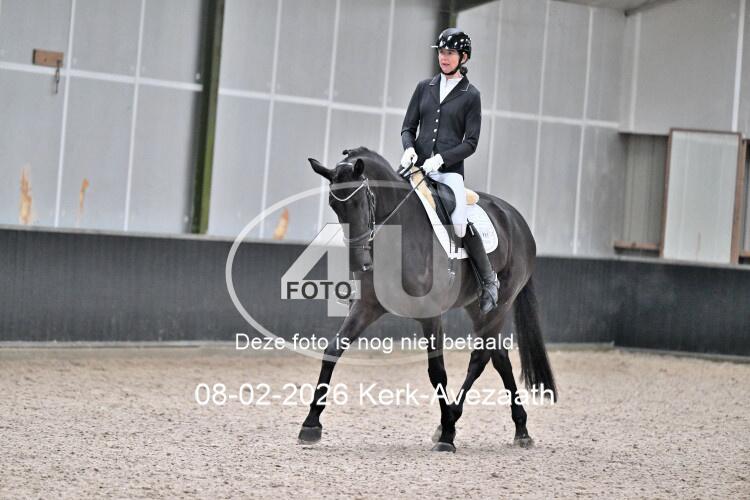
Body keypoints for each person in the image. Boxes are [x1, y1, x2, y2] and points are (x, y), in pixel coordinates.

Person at [399, 27, 499, 314]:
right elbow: (408, 127)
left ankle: (488, 280)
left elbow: (471, 142)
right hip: (416, 167)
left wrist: (441, 160)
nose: (444, 57)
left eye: (450, 53)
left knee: (459, 222)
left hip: (448, 172)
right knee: (386, 203)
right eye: (441, 52)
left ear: (463, 57)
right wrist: (408, 148)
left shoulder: (471, 95)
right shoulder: (424, 87)